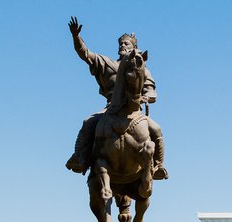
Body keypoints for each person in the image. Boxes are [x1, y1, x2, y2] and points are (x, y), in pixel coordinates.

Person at [65, 17, 167, 180]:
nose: (122, 46)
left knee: (157, 129)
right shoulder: (107, 64)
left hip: (135, 110)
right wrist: (76, 37)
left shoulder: (140, 67)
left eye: (126, 44)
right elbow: (85, 54)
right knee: (88, 122)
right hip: (110, 106)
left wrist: (146, 97)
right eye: (120, 43)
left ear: (134, 48)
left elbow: (151, 90)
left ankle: (158, 165)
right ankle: (79, 158)